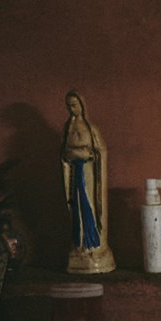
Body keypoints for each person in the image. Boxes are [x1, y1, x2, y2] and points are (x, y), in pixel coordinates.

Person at [61, 89, 114, 274]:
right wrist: (70, 156)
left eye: (74, 105)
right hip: (74, 173)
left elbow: (100, 151)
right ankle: (80, 245)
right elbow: (64, 152)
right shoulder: (68, 128)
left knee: (89, 206)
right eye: (68, 106)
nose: (71, 109)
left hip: (89, 173)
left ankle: (94, 244)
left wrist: (88, 155)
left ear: (82, 105)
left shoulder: (91, 129)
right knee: (76, 207)